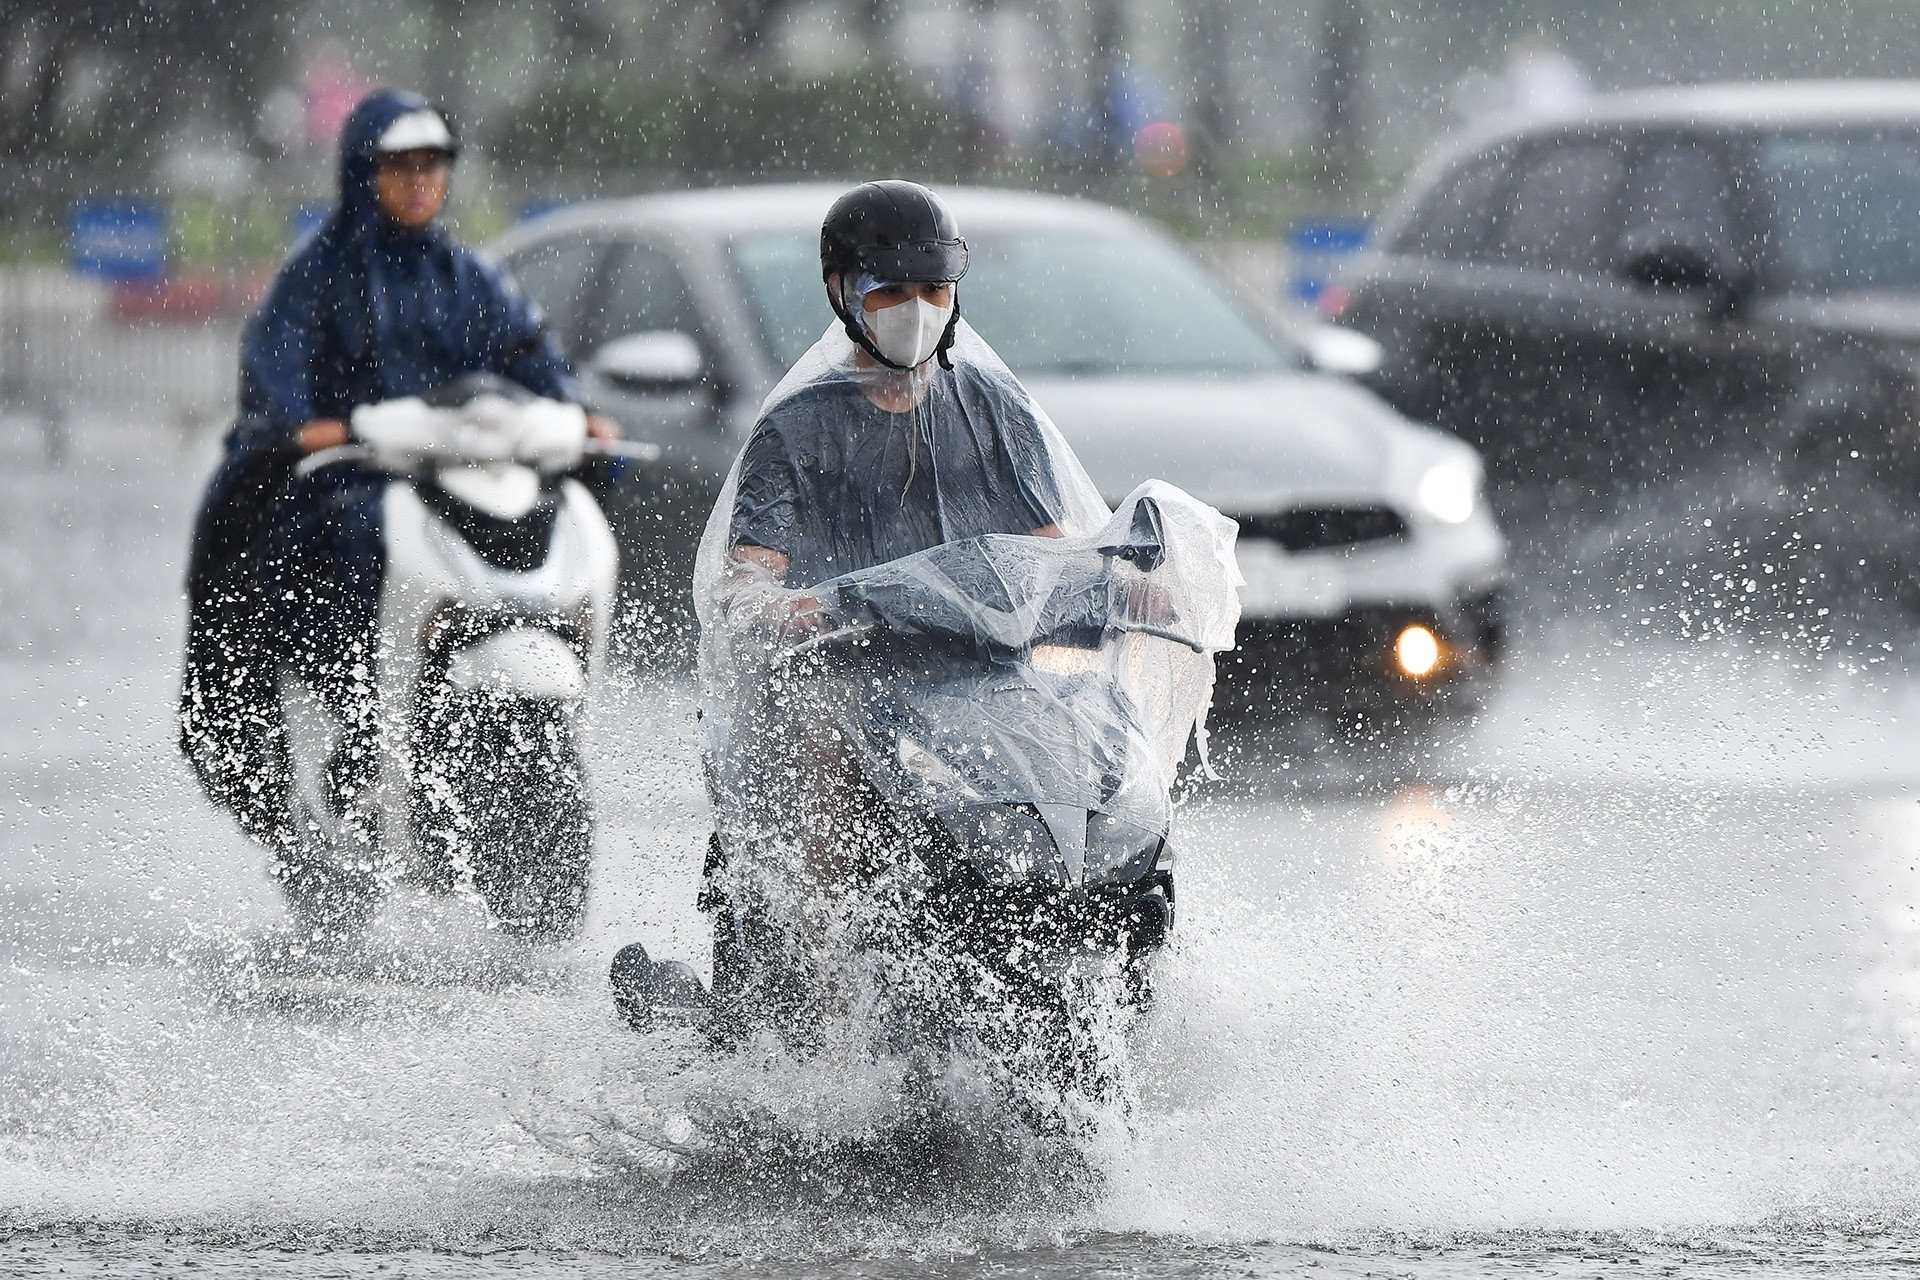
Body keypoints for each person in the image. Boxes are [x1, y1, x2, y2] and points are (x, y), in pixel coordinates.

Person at [180, 88, 614, 848]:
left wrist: (577, 415)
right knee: (351, 536)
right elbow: (276, 392)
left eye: (434, 165)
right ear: (362, 172)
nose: (419, 181)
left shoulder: (474, 279)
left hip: (464, 479)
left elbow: (536, 362)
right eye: (400, 166)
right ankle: (352, 720)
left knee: (575, 502)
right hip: (355, 480)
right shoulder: (315, 280)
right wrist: (313, 429)